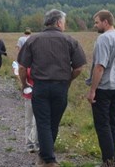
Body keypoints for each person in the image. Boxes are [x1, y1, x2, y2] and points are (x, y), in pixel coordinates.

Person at [17, 9, 87, 167]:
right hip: (61, 87)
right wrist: (68, 79)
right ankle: (48, 158)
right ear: (59, 22)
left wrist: (24, 84)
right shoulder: (70, 40)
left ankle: (47, 158)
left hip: (40, 86)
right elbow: (79, 68)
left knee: (43, 122)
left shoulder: (33, 40)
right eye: (64, 22)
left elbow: (22, 67)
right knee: (53, 123)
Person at [86, 10, 115, 167]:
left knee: (102, 124)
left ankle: (108, 162)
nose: (95, 25)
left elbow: (99, 67)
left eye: (97, 22)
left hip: (104, 87)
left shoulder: (103, 39)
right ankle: (112, 158)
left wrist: (92, 90)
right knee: (113, 123)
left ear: (106, 22)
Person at [18, 63, 39, 153]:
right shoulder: (28, 64)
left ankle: (33, 141)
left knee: (35, 120)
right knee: (30, 120)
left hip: (37, 94)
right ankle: (30, 142)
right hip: (30, 93)